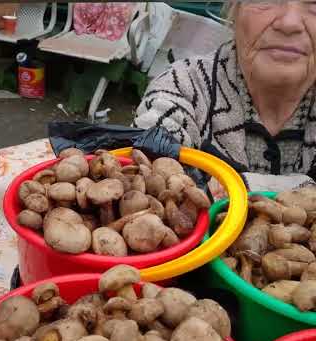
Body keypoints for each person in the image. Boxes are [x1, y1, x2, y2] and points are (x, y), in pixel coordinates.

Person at [134, 1, 316, 198]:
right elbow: (143, 178)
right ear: (234, 10)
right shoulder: (182, 87)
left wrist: (235, 187)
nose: (290, 23)